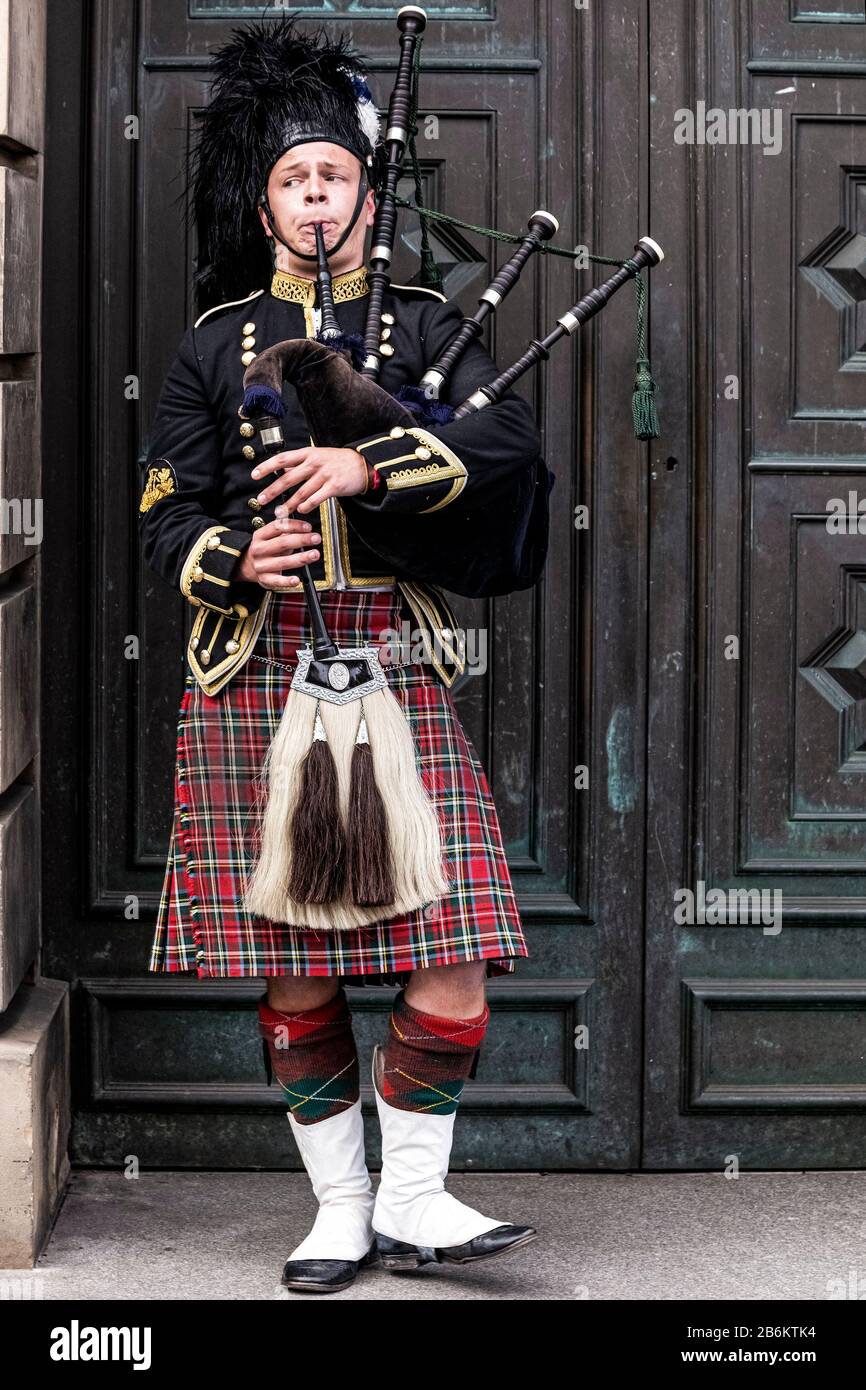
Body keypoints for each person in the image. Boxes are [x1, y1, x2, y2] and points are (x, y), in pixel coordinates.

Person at [139, 11, 541, 1293]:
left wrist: (368, 459)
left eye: (335, 180)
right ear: (265, 211)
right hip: (255, 667)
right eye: (292, 182)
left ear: (370, 201)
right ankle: (339, 1209)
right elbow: (164, 507)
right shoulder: (212, 342)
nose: (316, 199)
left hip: (390, 658)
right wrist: (228, 557)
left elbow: (508, 448)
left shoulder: (425, 327)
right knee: (292, 953)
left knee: (455, 937)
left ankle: (418, 1199)